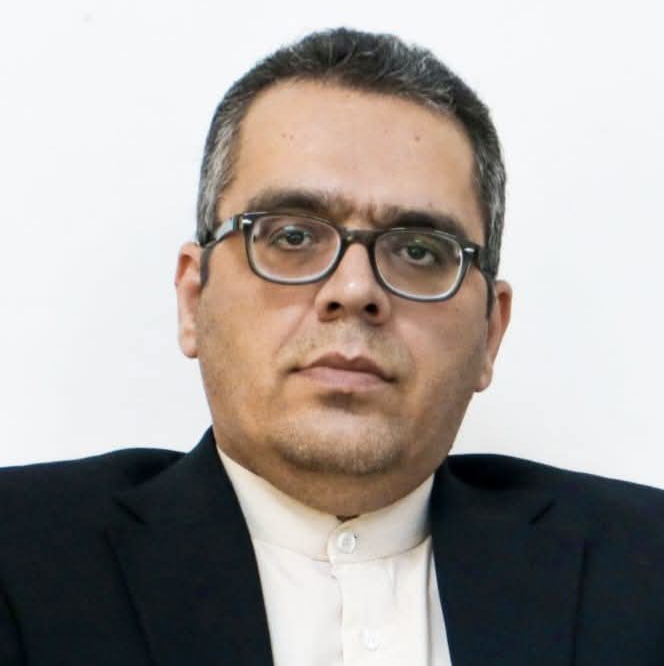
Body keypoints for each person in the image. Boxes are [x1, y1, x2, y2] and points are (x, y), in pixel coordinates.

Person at [1, 27, 663, 666]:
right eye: (291, 237)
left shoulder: (644, 572)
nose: (354, 290)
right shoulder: (22, 557)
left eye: (418, 250)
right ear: (193, 300)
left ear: (490, 332)